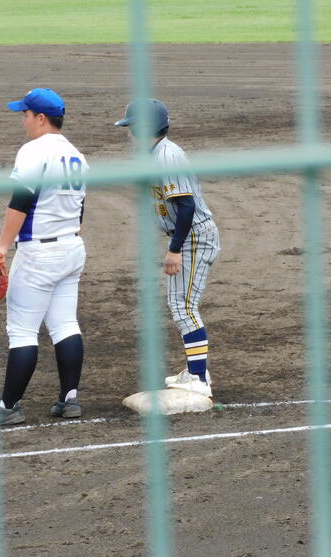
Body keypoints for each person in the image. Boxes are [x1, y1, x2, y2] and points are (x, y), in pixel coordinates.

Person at [0, 88, 88, 427]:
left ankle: (9, 407)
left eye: (25, 114)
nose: (23, 120)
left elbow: (20, 202)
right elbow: (80, 211)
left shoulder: (34, 151)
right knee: (65, 323)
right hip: (72, 247)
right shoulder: (77, 156)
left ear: (41, 118)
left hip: (38, 253)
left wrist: (1, 248)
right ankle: (69, 399)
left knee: (21, 330)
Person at [114, 99, 220, 397]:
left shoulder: (167, 156)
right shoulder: (154, 155)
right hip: (187, 236)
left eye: (132, 127)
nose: (129, 133)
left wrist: (175, 250)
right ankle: (197, 371)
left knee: (184, 307)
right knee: (180, 305)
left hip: (194, 237)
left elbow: (186, 206)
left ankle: (198, 378)